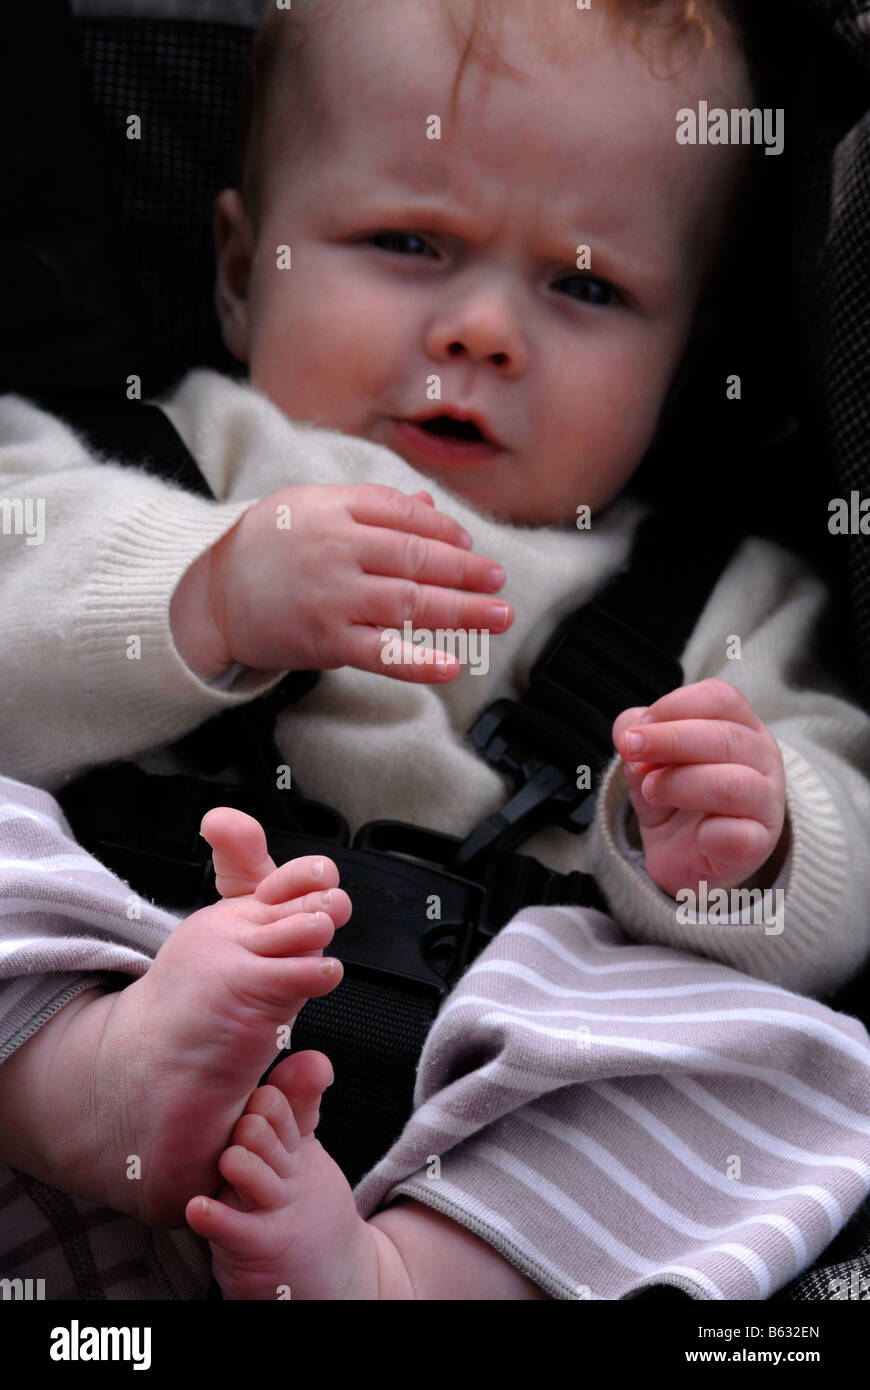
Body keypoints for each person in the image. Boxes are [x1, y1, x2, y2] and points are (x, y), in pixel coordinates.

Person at [1, 0, 869, 1299]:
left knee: (806, 1070)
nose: (483, 331)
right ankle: (80, 1084)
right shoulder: (133, 449)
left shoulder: (727, 596)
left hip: (502, 1072)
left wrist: (746, 843)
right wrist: (201, 591)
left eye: (586, 286)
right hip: (118, 975)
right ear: (239, 272)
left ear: (681, 362)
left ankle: (408, 1276)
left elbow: (839, 902)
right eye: (408, 242)